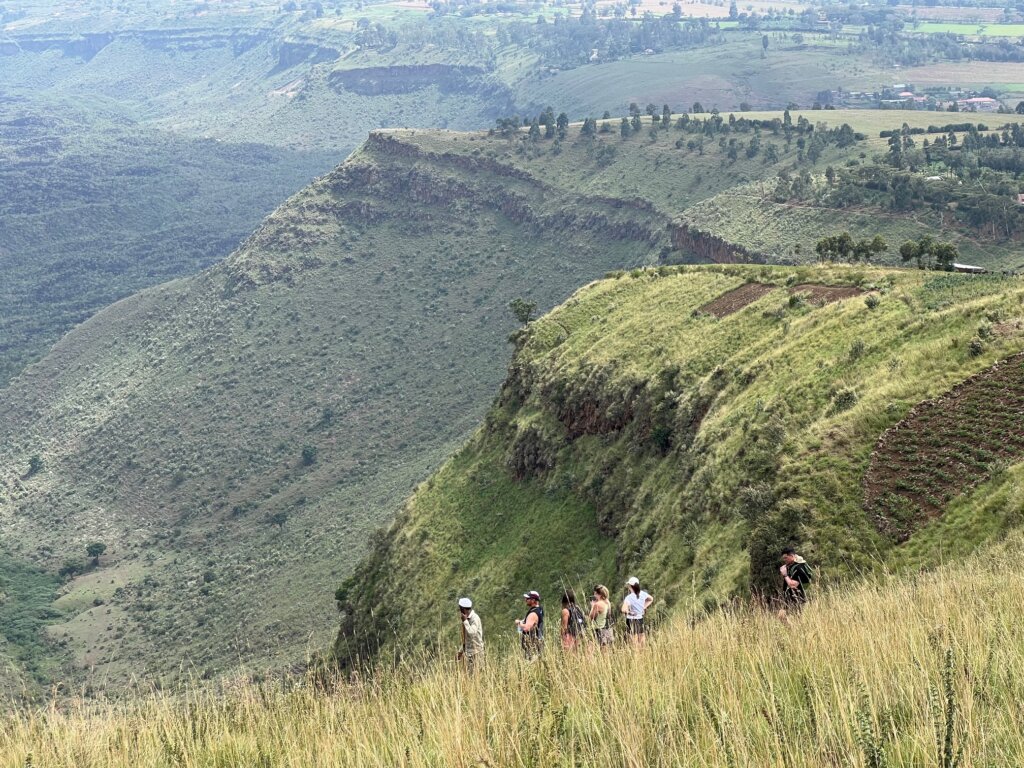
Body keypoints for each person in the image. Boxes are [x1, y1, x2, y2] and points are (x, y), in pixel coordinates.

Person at [779, 547, 812, 619]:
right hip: (789, 597)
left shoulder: (799, 568)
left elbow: (792, 585)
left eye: (786, 558)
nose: (784, 560)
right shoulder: (791, 565)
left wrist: (785, 574)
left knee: (796, 618)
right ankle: (792, 629)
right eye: (783, 558)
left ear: (792, 556)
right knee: (781, 616)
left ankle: (795, 629)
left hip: (797, 598)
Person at [621, 576, 653, 647]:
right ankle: (643, 655)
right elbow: (651, 599)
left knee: (634, 642)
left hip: (631, 620)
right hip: (640, 619)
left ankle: (636, 656)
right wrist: (644, 607)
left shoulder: (629, 598)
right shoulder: (643, 594)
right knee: (642, 639)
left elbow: (623, 609)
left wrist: (628, 612)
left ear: (630, 586)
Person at [456, 597, 483, 672]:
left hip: (476, 653)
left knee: (476, 676)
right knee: (469, 677)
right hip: (469, 654)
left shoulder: (474, 619)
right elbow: (466, 639)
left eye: (460, 609)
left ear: (463, 609)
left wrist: (465, 621)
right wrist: (460, 651)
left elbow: (472, 633)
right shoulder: (466, 619)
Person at [514, 590, 544, 660]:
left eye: (528, 598)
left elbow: (527, 628)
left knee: (531, 663)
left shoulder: (533, 613)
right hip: (536, 643)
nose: (525, 600)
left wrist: (519, 623)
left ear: (533, 600)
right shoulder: (539, 609)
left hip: (532, 645)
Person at [589, 584, 613, 652]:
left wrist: (592, 606)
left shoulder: (597, 604)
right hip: (608, 629)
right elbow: (609, 615)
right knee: (606, 652)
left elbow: (591, 617)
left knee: (590, 651)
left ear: (598, 594)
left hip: (599, 630)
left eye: (595, 594)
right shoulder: (607, 602)